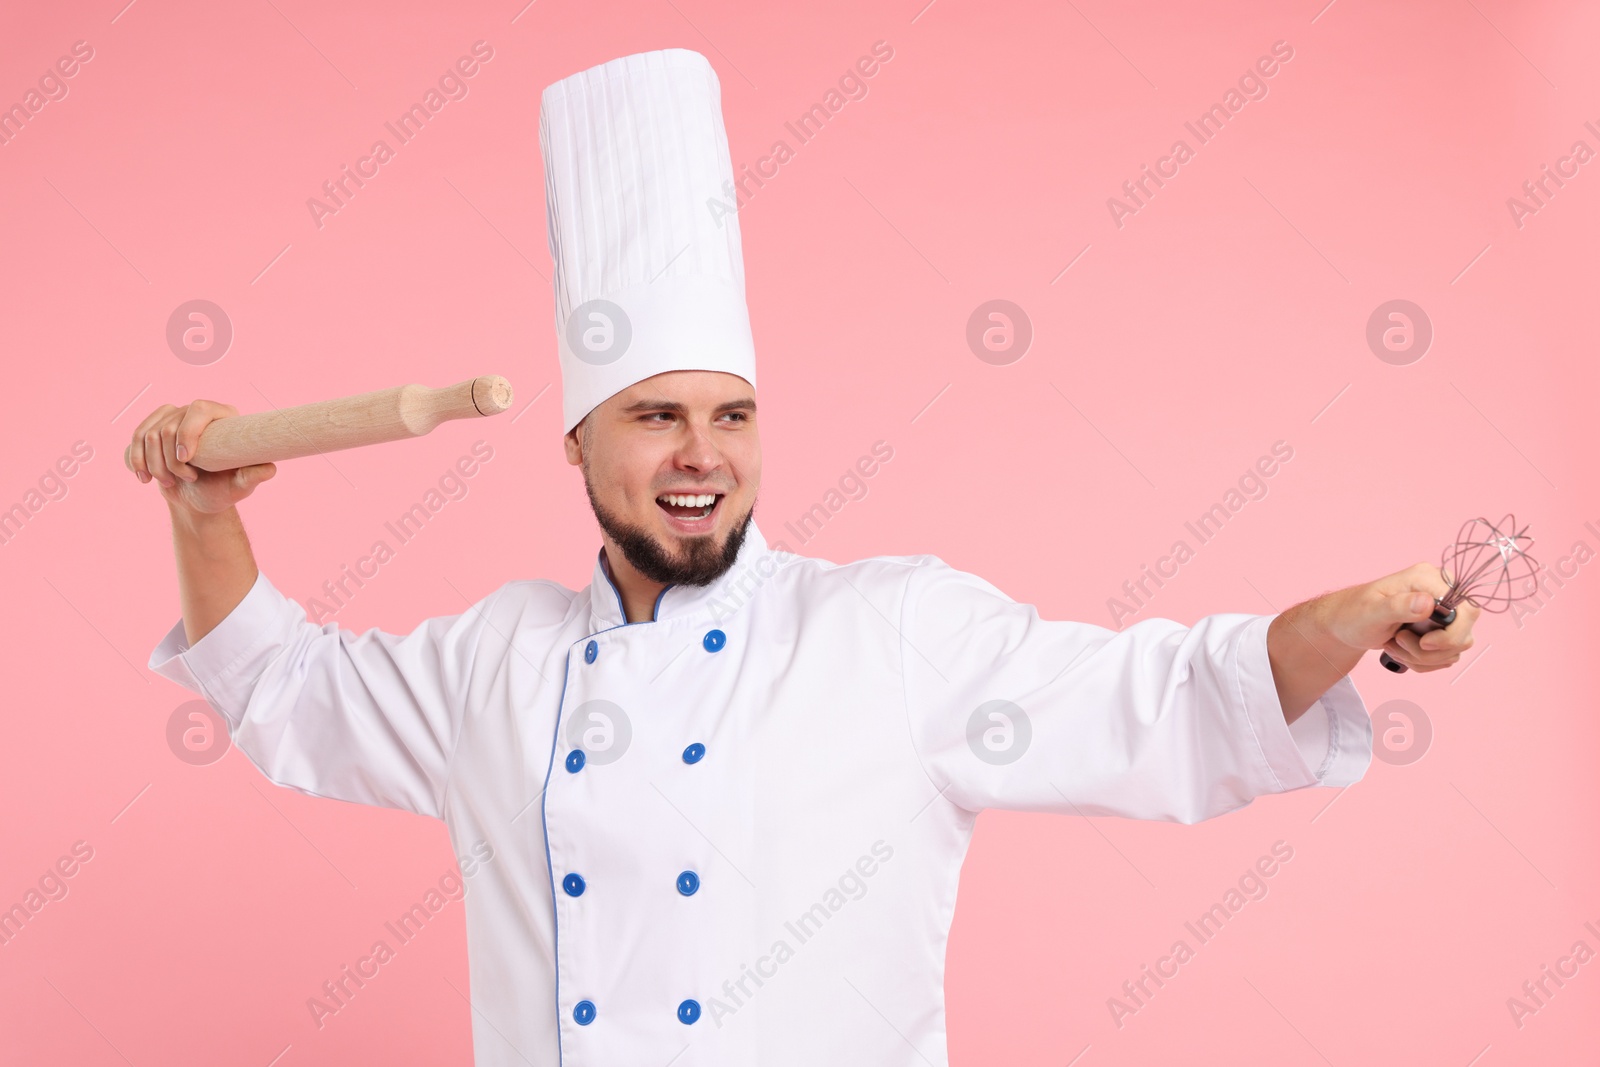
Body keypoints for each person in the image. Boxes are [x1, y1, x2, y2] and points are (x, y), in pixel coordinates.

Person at [134, 48, 1478, 1067]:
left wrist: (1349, 618)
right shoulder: (499, 660)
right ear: (577, 442)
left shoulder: (888, 635)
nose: (700, 455)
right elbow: (282, 689)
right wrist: (205, 515)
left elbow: (1171, 695)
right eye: (655, 416)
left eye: (732, 415)